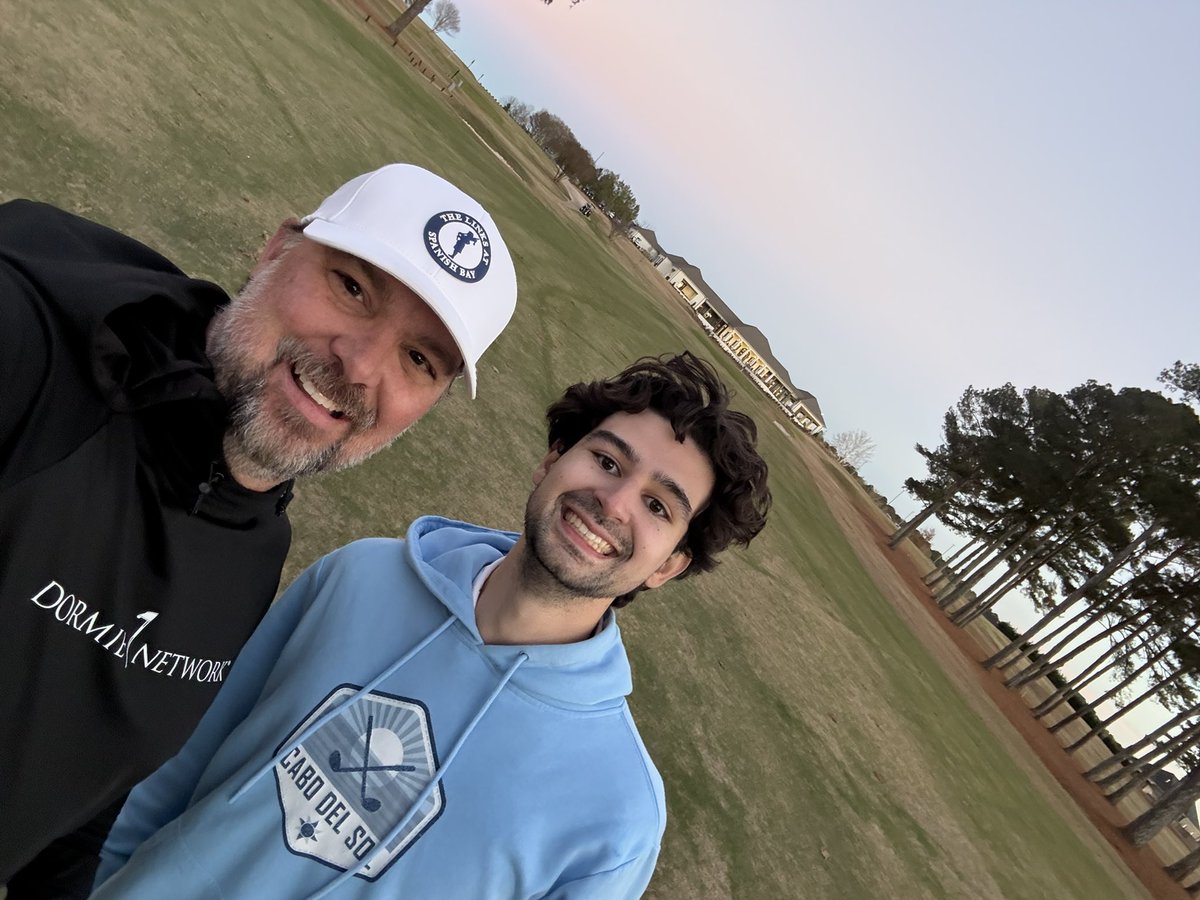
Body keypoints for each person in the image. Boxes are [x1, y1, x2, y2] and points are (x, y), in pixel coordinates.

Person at [0, 163, 518, 894]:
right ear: (276, 248)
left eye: (419, 358)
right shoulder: (33, 347)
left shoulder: (256, 545)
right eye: (353, 287)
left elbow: (88, 789)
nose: (360, 365)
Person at [92, 352, 771, 899]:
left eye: (658, 506)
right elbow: (177, 761)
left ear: (670, 565)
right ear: (551, 458)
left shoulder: (616, 816)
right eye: (606, 460)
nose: (614, 502)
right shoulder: (359, 577)